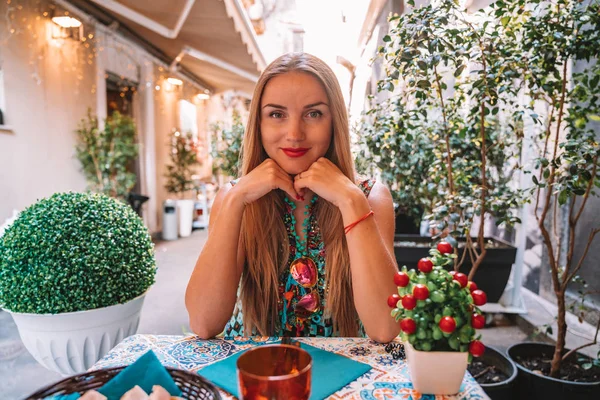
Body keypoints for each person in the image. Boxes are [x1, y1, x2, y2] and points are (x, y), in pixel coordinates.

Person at [185, 52, 400, 342]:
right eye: (277, 114)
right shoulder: (234, 197)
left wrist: (350, 200)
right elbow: (203, 322)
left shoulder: (369, 197)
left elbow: (386, 328)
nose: (294, 133)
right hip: (255, 373)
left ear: (334, 121)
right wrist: (236, 200)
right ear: (258, 125)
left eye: (313, 114)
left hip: (347, 375)